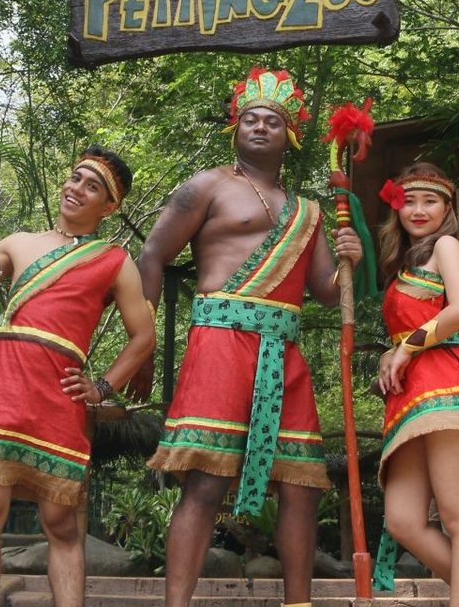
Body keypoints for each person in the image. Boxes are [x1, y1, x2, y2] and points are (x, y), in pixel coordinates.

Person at [132, 67, 362, 607]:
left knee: (301, 487)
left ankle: (298, 604)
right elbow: (152, 255)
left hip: (284, 353)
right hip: (220, 342)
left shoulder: (308, 212)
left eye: (272, 122)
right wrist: (142, 345)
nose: (260, 127)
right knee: (205, 483)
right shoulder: (208, 185)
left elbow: (327, 292)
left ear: (290, 136)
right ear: (235, 128)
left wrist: (349, 259)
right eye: (251, 119)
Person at [0, 146, 154, 607]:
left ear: (109, 207)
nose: (77, 188)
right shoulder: (19, 243)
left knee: (61, 522)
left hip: (56, 394)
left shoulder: (115, 261)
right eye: (76, 177)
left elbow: (144, 337)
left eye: (93, 186)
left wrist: (102, 387)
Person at [373, 162, 459, 607]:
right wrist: (390, 355)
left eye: (429, 201)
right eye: (409, 201)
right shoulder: (402, 264)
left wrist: (406, 348)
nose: (418, 210)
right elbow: (405, 334)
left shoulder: (446, 245)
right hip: (409, 396)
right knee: (403, 520)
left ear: (447, 208)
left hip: (448, 384)